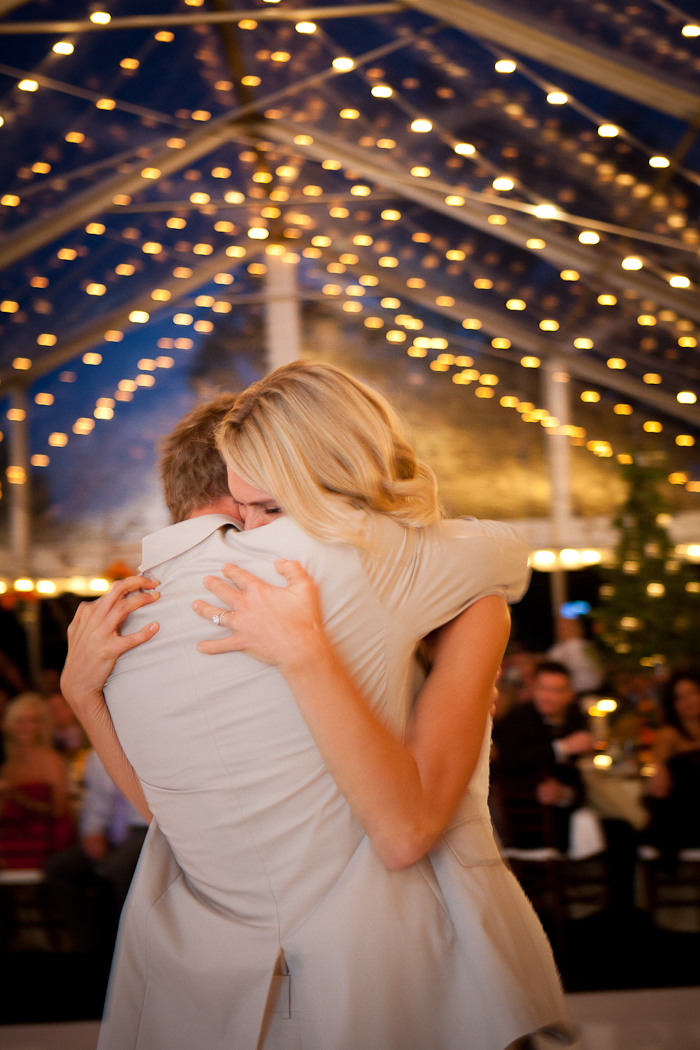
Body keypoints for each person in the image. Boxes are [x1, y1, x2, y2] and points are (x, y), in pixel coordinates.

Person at [62, 364, 570, 1050]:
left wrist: (84, 696)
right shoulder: (366, 575)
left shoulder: (139, 619)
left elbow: (169, 820)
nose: (250, 537)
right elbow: (181, 816)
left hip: (227, 989)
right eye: (242, 515)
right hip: (382, 971)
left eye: (268, 511)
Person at [45, 750, 149, 953]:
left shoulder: (149, 749)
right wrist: (92, 832)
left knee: (118, 866)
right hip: (111, 832)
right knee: (59, 867)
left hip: (145, 828)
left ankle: (132, 946)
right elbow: (96, 801)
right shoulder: (96, 756)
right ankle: (92, 946)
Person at [493, 661, 592, 853]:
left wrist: (566, 794)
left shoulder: (576, 718)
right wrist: (562, 748)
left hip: (570, 805)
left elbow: (575, 772)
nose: (547, 696)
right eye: (543, 688)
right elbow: (509, 759)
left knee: (616, 826)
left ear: (570, 695)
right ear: (533, 689)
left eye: (556, 691)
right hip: (530, 820)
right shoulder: (518, 717)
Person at [0, 693, 73, 869]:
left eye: (32, 721)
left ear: (41, 726)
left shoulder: (51, 761)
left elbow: (58, 812)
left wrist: (16, 796)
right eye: (19, 721)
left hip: (41, 842)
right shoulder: (8, 766)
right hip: (11, 838)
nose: (25, 727)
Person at [647, 672, 700, 862]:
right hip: (685, 816)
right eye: (679, 698)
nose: (687, 701)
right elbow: (657, 773)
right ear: (672, 704)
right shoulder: (669, 735)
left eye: (691, 693)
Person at [547, 616, 603, 694]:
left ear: (576, 628)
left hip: (581, 691)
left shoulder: (576, 646)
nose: (560, 631)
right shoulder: (562, 646)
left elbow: (553, 667)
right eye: (558, 628)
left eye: (564, 627)